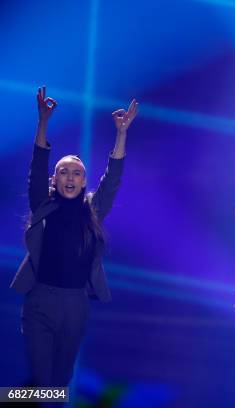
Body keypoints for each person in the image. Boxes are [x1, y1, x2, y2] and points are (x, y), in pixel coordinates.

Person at [10, 86, 138, 387]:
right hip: (40, 300)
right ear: (56, 180)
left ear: (83, 181)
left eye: (77, 173)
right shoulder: (44, 204)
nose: (70, 177)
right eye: (64, 172)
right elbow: (37, 170)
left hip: (75, 305)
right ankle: (14, 400)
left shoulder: (93, 209)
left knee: (59, 383)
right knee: (41, 380)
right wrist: (43, 121)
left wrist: (122, 134)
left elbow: (113, 179)